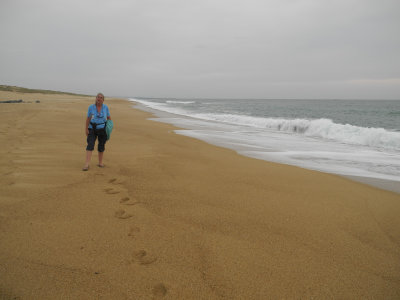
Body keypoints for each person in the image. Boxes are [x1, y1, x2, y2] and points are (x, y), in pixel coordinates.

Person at [82, 93, 111, 171]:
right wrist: (86, 129)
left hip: (102, 129)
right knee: (90, 144)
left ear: (103, 100)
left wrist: (109, 129)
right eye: (98, 97)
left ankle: (100, 163)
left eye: (101, 98)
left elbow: (109, 118)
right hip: (92, 128)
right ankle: (87, 164)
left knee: (101, 145)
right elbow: (88, 118)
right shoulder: (91, 107)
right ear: (96, 98)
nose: (99, 99)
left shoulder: (105, 107)